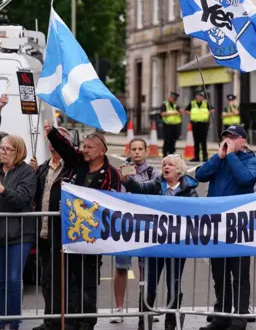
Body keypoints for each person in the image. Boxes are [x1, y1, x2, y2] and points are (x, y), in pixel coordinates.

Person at [44, 120, 122, 330]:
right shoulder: (77, 163)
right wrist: (51, 132)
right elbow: (65, 148)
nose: (84, 150)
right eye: (84, 147)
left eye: (89, 148)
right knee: (65, 278)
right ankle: (66, 320)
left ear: (102, 150)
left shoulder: (111, 173)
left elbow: (111, 204)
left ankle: (86, 321)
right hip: (68, 234)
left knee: (86, 281)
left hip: (91, 237)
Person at [196, 125, 256, 330]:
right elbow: (200, 175)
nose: (229, 140)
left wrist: (232, 157)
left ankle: (239, 318)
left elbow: (246, 179)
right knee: (219, 273)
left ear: (243, 140)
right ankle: (221, 316)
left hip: (240, 225)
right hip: (217, 225)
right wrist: (219, 157)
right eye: (226, 137)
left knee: (239, 274)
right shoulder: (221, 159)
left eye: (233, 137)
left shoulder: (251, 160)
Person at [123, 154, 197, 330]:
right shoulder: (156, 185)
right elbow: (139, 188)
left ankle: (171, 323)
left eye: (170, 165)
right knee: (150, 283)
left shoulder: (189, 190)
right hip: (156, 243)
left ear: (178, 171)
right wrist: (126, 181)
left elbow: (194, 211)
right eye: (164, 164)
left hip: (178, 245)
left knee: (174, 283)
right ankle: (144, 322)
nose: (166, 167)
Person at [0, 134, 36, 330]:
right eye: (2, 148)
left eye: (8, 149)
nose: (3, 152)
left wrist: (2, 190)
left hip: (19, 234)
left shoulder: (27, 172)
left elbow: (23, 199)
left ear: (19, 152)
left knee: (14, 279)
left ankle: (14, 323)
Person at [110, 138, 159, 324]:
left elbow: (155, 193)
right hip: (125, 226)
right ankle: (119, 309)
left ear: (146, 151)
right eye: (133, 149)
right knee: (121, 268)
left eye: (140, 149)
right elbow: (114, 193)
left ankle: (146, 307)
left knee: (146, 269)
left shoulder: (153, 172)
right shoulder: (120, 171)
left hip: (147, 226)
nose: (137, 152)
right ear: (129, 151)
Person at [30, 127, 75, 330]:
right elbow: (36, 196)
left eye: (56, 140)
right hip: (44, 233)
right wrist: (31, 175)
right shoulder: (42, 168)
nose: (52, 144)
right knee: (46, 279)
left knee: (61, 279)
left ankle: (60, 320)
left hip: (63, 234)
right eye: (50, 140)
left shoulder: (72, 167)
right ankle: (49, 320)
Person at [185, 91, 213, 162]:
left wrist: (208, 113)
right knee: (196, 141)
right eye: (199, 96)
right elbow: (186, 110)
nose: (201, 97)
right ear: (196, 96)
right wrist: (191, 113)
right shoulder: (192, 103)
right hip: (195, 124)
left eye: (202, 96)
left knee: (204, 141)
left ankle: (205, 157)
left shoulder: (206, 103)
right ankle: (196, 157)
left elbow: (212, 109)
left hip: (204, 123)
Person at [161, 92, 183, 157]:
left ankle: (171, 152)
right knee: (167, 139)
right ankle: (165, 153)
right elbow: (162, 113)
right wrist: (174, 113)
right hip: (167, 125)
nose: (173, 99)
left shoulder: (176, 106)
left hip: (175, 125)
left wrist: (180, 112)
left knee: (173, 140)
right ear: (170, 97)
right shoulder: (165, 104)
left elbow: (180, 112)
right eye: (172, 98)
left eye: (174, 99)